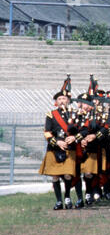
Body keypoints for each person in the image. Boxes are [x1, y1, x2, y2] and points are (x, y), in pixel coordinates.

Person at [39, 76, 77, 210]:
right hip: (54, 149)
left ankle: (67, 197)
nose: (62, 101)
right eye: (59, 99)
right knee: (55, 176)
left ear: (68, 101)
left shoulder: (74, 114)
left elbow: (80, 130)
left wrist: (74, 138)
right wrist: (57, 143)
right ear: (56, 101)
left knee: (67, 174)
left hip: (69, 148)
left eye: (64, 99)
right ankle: (59, 201)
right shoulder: (51, 114)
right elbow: (47, 132)